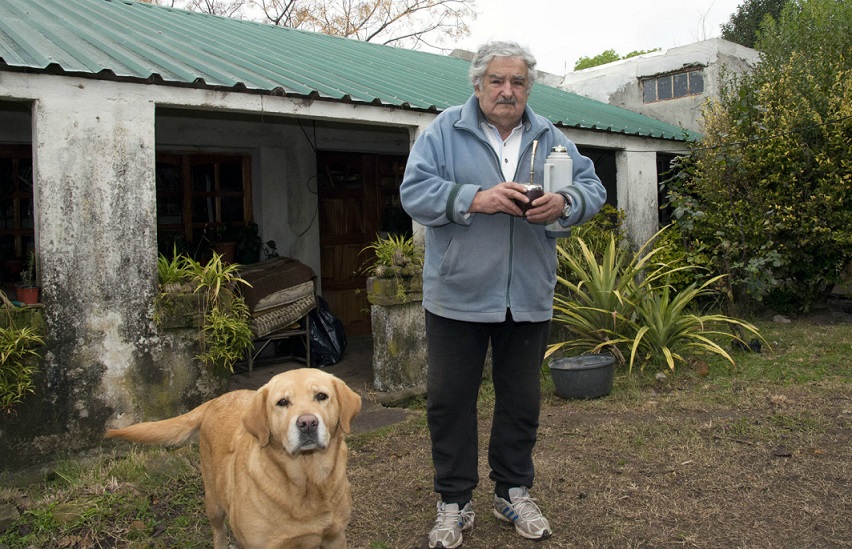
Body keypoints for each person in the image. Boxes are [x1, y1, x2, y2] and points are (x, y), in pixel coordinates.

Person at [399, 41, 606, 548]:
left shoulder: (550, 135)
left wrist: (566, 201)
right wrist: (476, 197)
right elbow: (413, 192)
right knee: (450, 401)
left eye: (517, 82)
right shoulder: (444, 131)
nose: (507, 90)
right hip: (456, 296)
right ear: (478, 84)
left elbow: (593, 188)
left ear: (529, 87)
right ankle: (453, 502)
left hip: (527, 295)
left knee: (520, 401)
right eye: (497, 81)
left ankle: (513, 491)